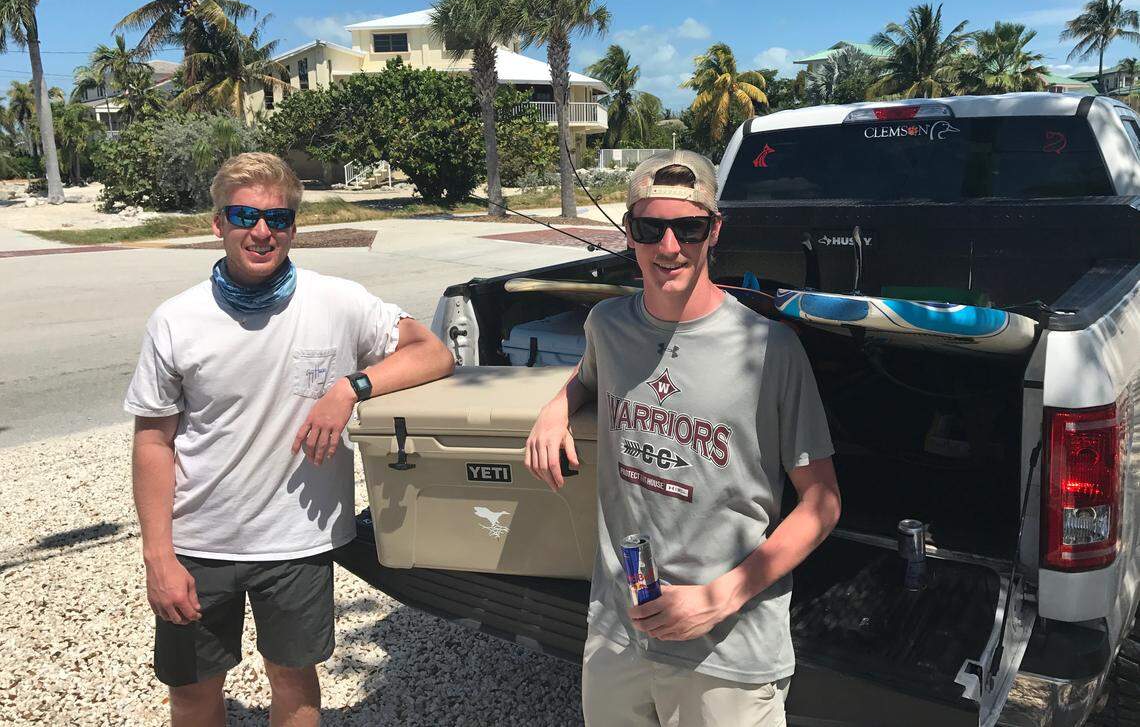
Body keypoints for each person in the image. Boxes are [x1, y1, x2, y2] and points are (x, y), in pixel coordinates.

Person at [125, 152, 455, 727]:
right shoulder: (176, 319)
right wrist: (158, 555)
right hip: (199, 541)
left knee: (296, 684)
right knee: (194, 690)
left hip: (297, 542)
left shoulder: (339, 301)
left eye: (277, 219)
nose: (261, 232)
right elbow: (153, 441)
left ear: (294, 228)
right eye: (244, 215)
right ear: (217, 223)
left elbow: (434, 352)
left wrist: (350, 388)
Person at [526, 150, 841, 726]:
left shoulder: (770, 349)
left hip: (726, 645)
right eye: (651, 228)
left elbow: (822, 503)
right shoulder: (608, 325)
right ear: (630, 234)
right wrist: (558, 404)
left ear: (714, 231)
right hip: (617, 629)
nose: (670, 247)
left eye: (689, 228)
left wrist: (721, 596)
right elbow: (590, 375)